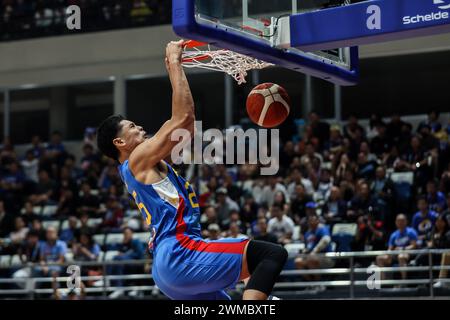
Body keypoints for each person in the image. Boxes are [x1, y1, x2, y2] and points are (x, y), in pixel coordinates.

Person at [96, 41, 287, 300]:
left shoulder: (145, 163)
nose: (139, 126)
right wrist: (174, 63)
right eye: (131, 126)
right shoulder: (136, 159)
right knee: (270, 254)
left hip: (169, 270)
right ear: (119, 143)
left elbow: (180, 125)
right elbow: (184, 120)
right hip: (181, 254)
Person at [376, 214, 418, 282]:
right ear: (396, 222)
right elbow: (390, 248)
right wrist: (389, 253)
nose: (400, 223)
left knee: (401, 257)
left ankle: (404, 281)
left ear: (406, 222)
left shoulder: (411, 232)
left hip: (408, 253)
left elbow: (414, 246)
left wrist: (402, 249)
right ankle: (383, 282)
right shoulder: (394, 235)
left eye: (402, 221)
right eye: (398, 221)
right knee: (379, 258)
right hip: (395, 254)